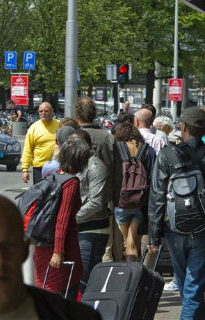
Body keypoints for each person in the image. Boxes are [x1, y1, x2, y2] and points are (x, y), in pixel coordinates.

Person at [148, 107, 205, 319]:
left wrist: (153, 235)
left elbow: (157, 197)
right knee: (193, 289)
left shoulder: (167, 155)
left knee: (189, 288)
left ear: (183, 126)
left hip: (174, 230)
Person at [34, 138, 90, 301]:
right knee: (61, 302)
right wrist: (58, 252)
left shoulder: (54, 177)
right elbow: (62, 220)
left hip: (43, 246)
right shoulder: (71, 183)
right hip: (62, 252)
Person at [74, 96, 123, 263]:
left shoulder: (72, 136)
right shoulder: (107, 137)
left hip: (76, 202)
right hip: (103, 202)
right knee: (104, 252)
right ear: (94, 113)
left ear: (76, 113)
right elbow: (118, 172)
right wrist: (114, 200)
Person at [70, 129, 110, 294]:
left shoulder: (95, 166)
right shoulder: (76, 164)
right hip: (79, 228)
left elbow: (96, 202)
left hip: (92, 230)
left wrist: (71, 218)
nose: (72, 147)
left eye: (76, 143)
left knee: (85, 281)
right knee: (76, 281)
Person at [114, 123, 156, 262]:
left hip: (121, 202)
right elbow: (153, 177)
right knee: (133, 242)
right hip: (141, 202)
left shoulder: (116, 149)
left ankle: (131, 276)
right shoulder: (147, 150)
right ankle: (137, 270)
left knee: (129, 243)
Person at [21, 102, 59, 184]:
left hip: (56, 166)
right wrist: (25, 170)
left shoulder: (59, 125)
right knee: (41, 194)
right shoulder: (34, 128)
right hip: (39, 168)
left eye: (46, 111)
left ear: (52, 111)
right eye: (41, 111)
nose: (43, 113)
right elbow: (27, 150)